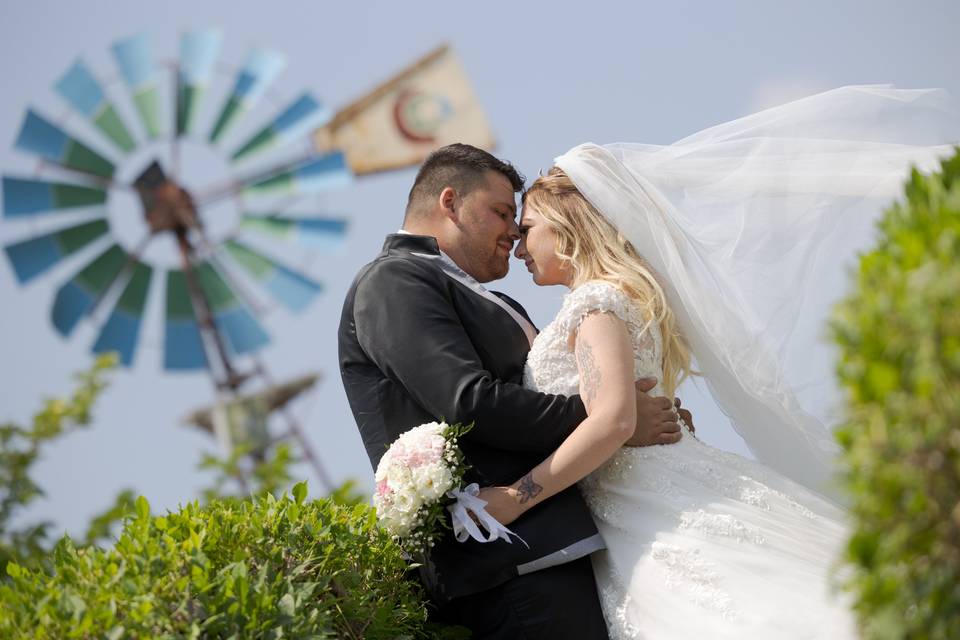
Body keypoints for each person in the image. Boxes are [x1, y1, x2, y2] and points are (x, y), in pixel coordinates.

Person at [477, 85, 956, 638]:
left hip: (657, 511)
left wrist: (516, 498)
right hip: (642, 505)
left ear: (568, 224)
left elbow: (613, 420)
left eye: (528, 228)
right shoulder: (615, 299)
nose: (518, 245)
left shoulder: (595, 301)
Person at [338, 143, 690, 639]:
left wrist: (638, 410)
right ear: (449, 202)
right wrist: (614, 418)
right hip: (503, 557)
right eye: (502, 212)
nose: (514, 233)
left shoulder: (491, 297)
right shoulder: (395, 279)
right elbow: (469, 401)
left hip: (558, 546)